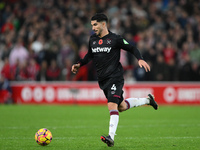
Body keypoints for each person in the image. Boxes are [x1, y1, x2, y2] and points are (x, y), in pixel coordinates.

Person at [71, 13, 158, 147]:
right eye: (92, 25)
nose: (93, 27)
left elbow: (132, 48)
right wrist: (79, 63)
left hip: (115, 77)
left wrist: (140, 59)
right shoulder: (92, 39)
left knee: (112, 105)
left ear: (104, 24)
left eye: (95, 24)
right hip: (103, 80)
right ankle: (148, 100)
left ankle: (111, 137)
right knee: (121, 106)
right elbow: (89, 55)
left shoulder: (115, 39)